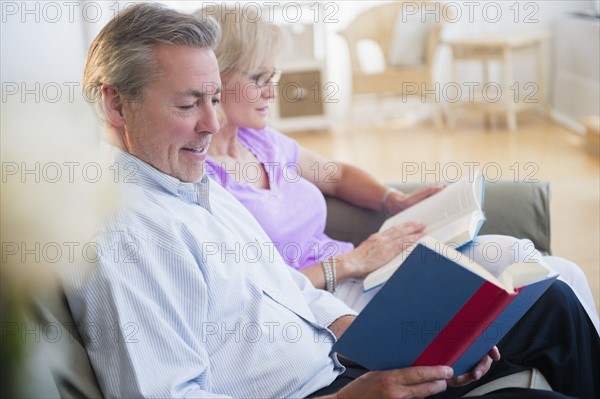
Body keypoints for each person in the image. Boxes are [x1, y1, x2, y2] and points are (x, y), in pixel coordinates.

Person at [63, 3, 600, 398]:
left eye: (213, 99)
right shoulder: (124, 234)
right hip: (324, 392)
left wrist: (373, 338)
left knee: (549, 300)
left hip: (342, 357)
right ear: (116, 104)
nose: (212, 123)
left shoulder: (191, 180)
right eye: (187, 104)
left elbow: (281, 286)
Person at [200, 4, 600, 329]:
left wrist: (393, 200)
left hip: (368, 272)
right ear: (214, 76)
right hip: (328, 304)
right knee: (545, 286)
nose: (273, 91)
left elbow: (335, 176)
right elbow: (255, 294)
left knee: (560, 270)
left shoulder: (260, 140)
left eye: (275, 76)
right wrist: (353, 261)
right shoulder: (204, 183)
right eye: (259, 78)